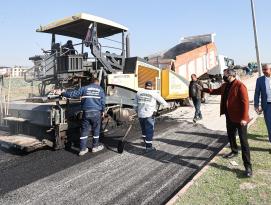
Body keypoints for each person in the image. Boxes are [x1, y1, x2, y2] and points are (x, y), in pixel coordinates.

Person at [203, 68, 252, 177]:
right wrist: (203, 89)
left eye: (225, 75)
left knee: (244, 142)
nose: (223, 76)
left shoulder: (240, 86)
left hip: (240, 119)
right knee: (230, 136)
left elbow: (245, 103)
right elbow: (216, 91)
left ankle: (248, 167)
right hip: (229, 117)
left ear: (231, 75)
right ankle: (234, 151)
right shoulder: (225, 85)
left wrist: (244, 118)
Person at [56, 78, 105, 156]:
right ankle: (95, 147)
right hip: (96, 113)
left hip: (86, 113)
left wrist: (62, 93)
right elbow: (103, 102)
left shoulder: (84, 88)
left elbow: (73, 94)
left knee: (84, 130)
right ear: (97, 83)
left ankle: (82, 150)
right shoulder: (100, 89)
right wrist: (103, 111)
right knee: (96, 130)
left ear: (91, 83)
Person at [135, 81, 169, 152]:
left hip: (140, 114)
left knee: (144, 129)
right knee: (149, 130)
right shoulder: (154, 93)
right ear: (152, 86)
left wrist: (137, 112)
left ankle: (145, 142)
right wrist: (159, 110)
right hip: (149, 115)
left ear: (145, 86)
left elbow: (135, 105)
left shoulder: (139, 92)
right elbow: (164, 103)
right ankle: (148, 147)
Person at [254, 64, 271, 152]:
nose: (264, 71)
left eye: (265, 69)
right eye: (263, 69)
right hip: (267, 105)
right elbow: (257, 93)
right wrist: (256, 105)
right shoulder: (260, 80)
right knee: (269, 125)